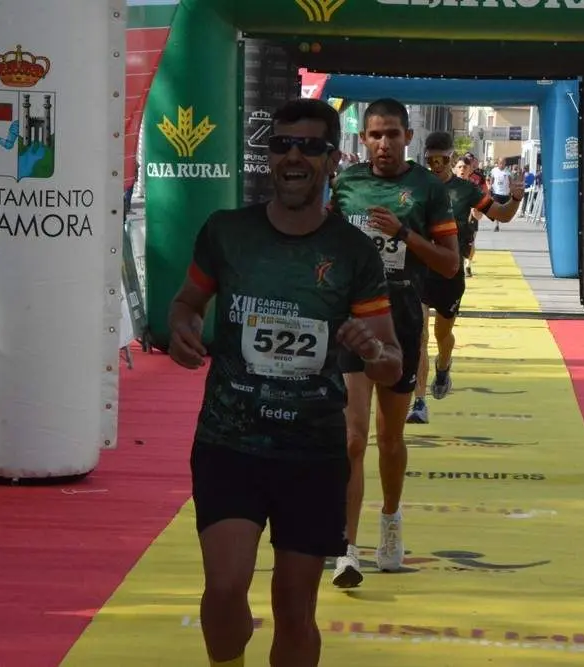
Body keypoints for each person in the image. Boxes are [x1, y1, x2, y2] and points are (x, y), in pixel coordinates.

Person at [168, 98, 403, 667]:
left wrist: (371, 350)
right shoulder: (227, 232)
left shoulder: (351, 251)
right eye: (281, 144)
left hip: (312, 452)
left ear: (330, 159)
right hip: (230, 441)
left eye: (310, 147)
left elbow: (392, 361)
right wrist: (182, 329)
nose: (293, 156)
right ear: (269, 155)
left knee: (294, 608)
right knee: (224, 590)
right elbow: (185, 304)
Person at [327, 98, 459, 588]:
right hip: (353, 318)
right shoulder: (346, 185)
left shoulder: (426, 189)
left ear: (408, 137)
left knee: (390, 438)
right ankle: (346, 547)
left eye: (393, 135)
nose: (384, 144)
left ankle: (390, 520)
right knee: (352, 438)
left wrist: (403, 233)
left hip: (401, 314)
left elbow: (448, 264)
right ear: (363, 139)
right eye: (375, 135)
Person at [407, 132, 523, 424]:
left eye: (442, 160)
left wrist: (516, 199)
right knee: (418, 336)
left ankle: (444, 365)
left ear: (452, 159)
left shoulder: (465, 190)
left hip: (450, 272)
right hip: (418, 270)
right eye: (430, 160)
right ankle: (419, 401)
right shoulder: (415, 185)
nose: (436, 166)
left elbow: (503, 215)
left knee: (441, 336)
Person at [488, 157, 511, 231]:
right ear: (498, 163)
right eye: (500, 163)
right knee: (497, 209)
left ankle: (501, 219)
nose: (501, 164)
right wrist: (490, 186)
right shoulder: (494, 170)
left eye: (503, 163)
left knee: (504, 210)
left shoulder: (507, 171)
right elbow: (492, 179)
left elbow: (511, 182)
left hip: (505, 193)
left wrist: (511, 190)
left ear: (505, 163)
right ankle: (497, 225)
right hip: (496, 193)